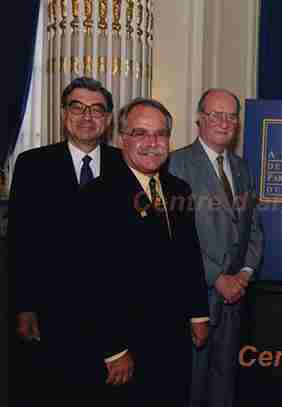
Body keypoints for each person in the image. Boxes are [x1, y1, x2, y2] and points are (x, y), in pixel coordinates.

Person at [78, 97, 210, 406]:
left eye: (160, 134)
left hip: (174, 339)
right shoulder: (98, 196)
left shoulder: (179, 189)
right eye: (140, 133)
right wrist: (114, 348)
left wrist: (198, 313)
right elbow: (90, 280)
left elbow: (188, 257)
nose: (152, 142)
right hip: (127, 345)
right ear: (123, 138)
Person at [7, 76, 123, 405]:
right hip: (50, 311)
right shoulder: (32, 165)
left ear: (109, 119)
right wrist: (23, 307)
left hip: (109, 314)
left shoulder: (124, 166)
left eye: (97, 109)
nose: (87, 116)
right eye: (77, 107)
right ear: (63, 113)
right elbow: (19, 241)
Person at [168, 89, 264, 407]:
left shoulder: (243, 168)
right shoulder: (175, 165)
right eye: (215, 114)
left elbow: (254, 229)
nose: (224, 122)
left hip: (236, 299)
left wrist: (245, 275)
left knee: (226, 386)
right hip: (195, 298)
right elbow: (173, 238)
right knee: (191, 386)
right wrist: (218, 278)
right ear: (199, 118)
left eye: (231, 116)